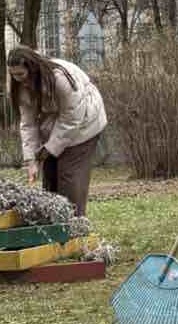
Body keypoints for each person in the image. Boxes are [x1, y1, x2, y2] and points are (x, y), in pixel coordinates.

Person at [6, 44, 107, 220]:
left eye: (20, 74)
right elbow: (28, 124)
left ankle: (73, 226)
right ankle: (53, 225)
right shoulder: (19, 86)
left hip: (85, 123)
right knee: (50, 176)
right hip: (58, 124)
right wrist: (31, 161)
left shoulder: (60, 79)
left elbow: (72, 119)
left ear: (32, 68)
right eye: (13, 75)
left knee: (69, 176)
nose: (17, 79)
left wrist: (49, 148)